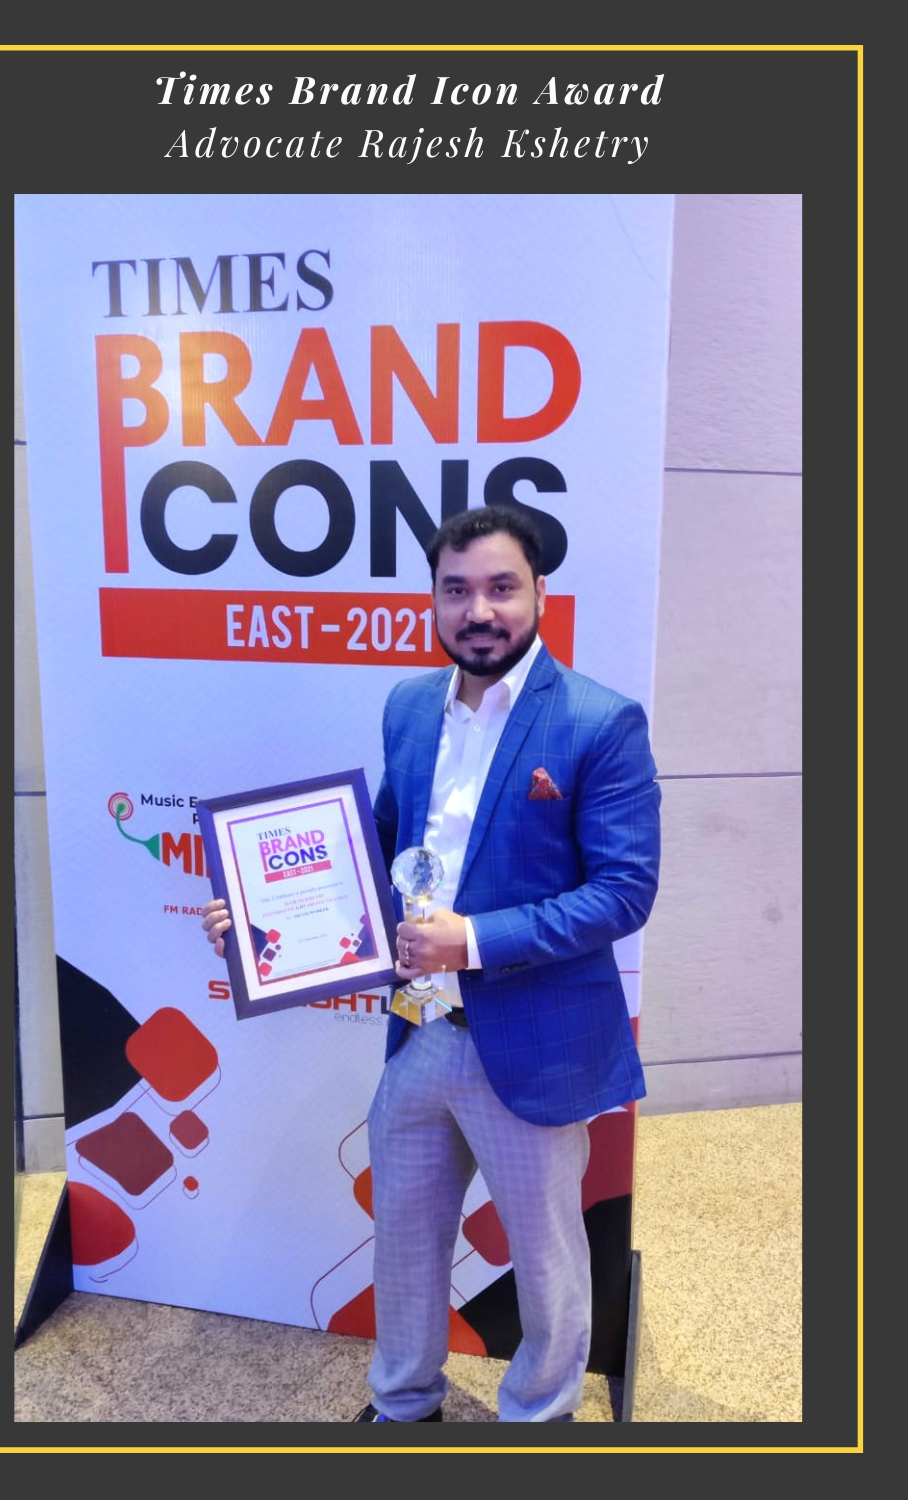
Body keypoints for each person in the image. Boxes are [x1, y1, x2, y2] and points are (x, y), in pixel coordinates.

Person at [201, 504, 661, 1423]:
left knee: (545, 1258)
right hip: (418, 1030)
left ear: (540, 593)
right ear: (435, 597)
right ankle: (405, 1404)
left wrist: (473, 939)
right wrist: (261, 921)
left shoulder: (600, 721)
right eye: (457, 589)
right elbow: (377, 848)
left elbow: (622, 892)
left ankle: (540, 1417)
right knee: (405, 1240)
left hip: (530, 1045)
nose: (478, 610)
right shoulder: (409, 706)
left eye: (501, 587)